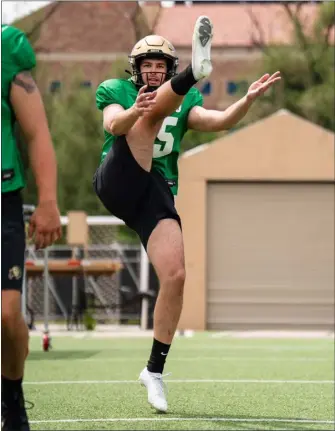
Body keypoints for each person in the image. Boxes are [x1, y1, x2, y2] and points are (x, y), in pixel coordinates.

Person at [94, 16, 281, 412]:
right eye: (147, 65)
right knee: (146, 118)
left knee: (176, 276)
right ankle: (200, 70)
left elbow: (216, 122)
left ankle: (154, 371)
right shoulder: (117, 90)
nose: (152, 70)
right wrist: (134, 111)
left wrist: (244, 102)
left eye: (160, 66)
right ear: (135, 69)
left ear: (168, 70)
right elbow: (114, 123)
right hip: (119, 176)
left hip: (154, 191)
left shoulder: (185, 104)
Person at [1, 24, 62, 430]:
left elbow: (37, 132)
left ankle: (12, 401)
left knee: (6, 314)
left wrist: (48, 200)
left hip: (3, 197)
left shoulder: (6, 47)